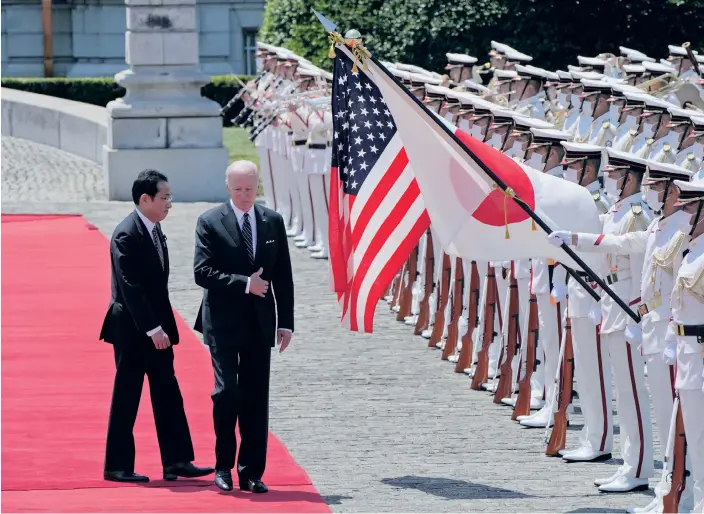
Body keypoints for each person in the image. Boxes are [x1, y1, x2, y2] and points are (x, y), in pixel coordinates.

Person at [99, 169, 214, 483]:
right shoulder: (127, 233)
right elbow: (129, 287)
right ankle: (117, 465)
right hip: (134, 332)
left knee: (167, 393)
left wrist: (164, 327)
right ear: (144, 199)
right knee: (127, 395)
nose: (169, 203)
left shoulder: (154, 228)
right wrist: (153, 329)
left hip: (158, 331)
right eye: (164, 197)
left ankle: (176, 460)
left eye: (170, 197)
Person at [193, 160, 294, 494]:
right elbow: (202, 272)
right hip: (221, 322)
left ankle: (251, 471)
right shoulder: (209, 222)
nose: (244, 195)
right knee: (226, 393)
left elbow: (283, 276)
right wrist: (243, 283)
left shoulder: (272, 222)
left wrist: (287, 323)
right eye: (237, 189)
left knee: (254, 398)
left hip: (259, 323)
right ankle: (222, 465)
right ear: (227, 188)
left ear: (257, 185)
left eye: (249, 189)